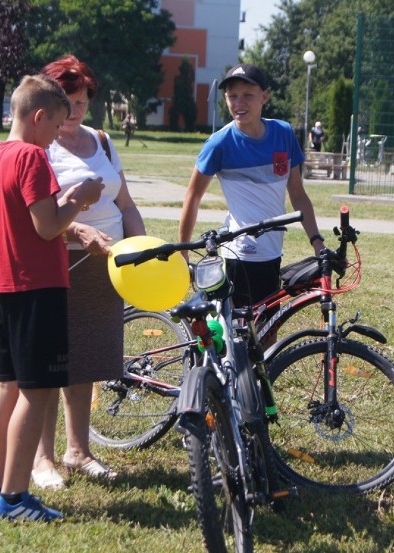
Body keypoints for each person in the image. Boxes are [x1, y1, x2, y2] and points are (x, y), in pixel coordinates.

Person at [0, 74, 104, 521]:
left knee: (7, 385)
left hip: (4, 285)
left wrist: (67, 205)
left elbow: (36, 215)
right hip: (37, 287)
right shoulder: (34, 157)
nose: (56, 137)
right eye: (55, 127)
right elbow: (47, 227)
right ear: (38, 118)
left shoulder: (1, 156)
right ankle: (13, 498)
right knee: (37, 391)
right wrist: (84, 199)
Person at [30, 54, 147, 491]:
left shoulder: (102, 140)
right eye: (67, 101)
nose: (75, 111)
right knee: (50, 365)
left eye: (81, 101)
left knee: (87, 361)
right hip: (62, 262)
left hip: (107, 265)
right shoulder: (41, 145)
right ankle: (41, 459)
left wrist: (141, 249)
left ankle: (77, 451)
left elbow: (126, 204)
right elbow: (39, 215)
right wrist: (80, 230)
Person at [179, 63, 325, 313]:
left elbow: (298, 195)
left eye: (247, 95)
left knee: (267, 334)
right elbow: (192, 197)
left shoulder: (284, 133)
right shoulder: (219, 144)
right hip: (238, 255)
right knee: (239, 336)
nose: (239, 103)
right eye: (232, 96)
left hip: (272, 252)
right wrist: (183, 252)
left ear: (264, 97)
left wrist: (317, 241)